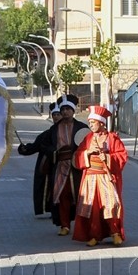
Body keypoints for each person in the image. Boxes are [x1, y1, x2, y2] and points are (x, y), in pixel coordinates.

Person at [73, 105, 128, 247]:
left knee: (111, 204)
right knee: (93, 208)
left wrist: (108, 158)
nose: (90, 125)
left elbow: (122, 156)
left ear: (101, 123)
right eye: (89, 123)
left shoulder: (112, 138)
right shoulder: (88, 138)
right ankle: (94, 235)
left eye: (93, 122)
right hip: (90, 178)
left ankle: (115, 233)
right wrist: (87, 152)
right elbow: (77, 156)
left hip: (105, 177)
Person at [48, 95, 88, 235]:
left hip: (78, 167)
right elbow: (44, 144)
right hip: (61, 167)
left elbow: (89, 144)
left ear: (73, 110)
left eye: (68, 109)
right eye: (63, 109)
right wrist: (27, 149)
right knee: (63, 195)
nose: (65, 112)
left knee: (80, 196)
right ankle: (64, 225)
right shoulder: (54, 129)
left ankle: (83, 225)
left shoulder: (82, 128)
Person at [30, 103, 62, 220]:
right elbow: (35, 146)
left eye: (58, 114)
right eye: (54, 115)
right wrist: (24, 149)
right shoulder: (46, 134)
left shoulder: (71, 131)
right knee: (50, 189)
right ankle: (52, 210)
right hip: (50, 167)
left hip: (64, 166)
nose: (56, 117)